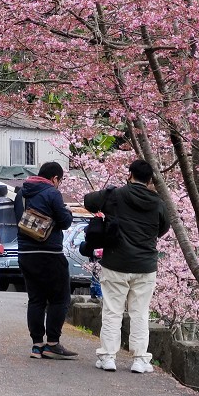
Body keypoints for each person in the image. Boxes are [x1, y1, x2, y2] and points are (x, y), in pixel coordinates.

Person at [85, 158, 170, 374]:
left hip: (116, 262)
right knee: (140, 313)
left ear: (130, 174)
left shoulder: (115, 195)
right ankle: (140, 360)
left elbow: (89, 202)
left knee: (112, 311)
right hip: (145, 265)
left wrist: (108, 194)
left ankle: (108, 357)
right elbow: (163, 228)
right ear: (150, 179)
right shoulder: (158, 202)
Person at [15, 161, 78, 360]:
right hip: (49, 253)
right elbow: (65, 222)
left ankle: (37, 345)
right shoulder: (52, 193)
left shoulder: (22, 193)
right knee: (60, 298)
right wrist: (66, 211)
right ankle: (52, 343)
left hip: (26, 253)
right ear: (55, 178)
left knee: (36, 299)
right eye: (60, 180)